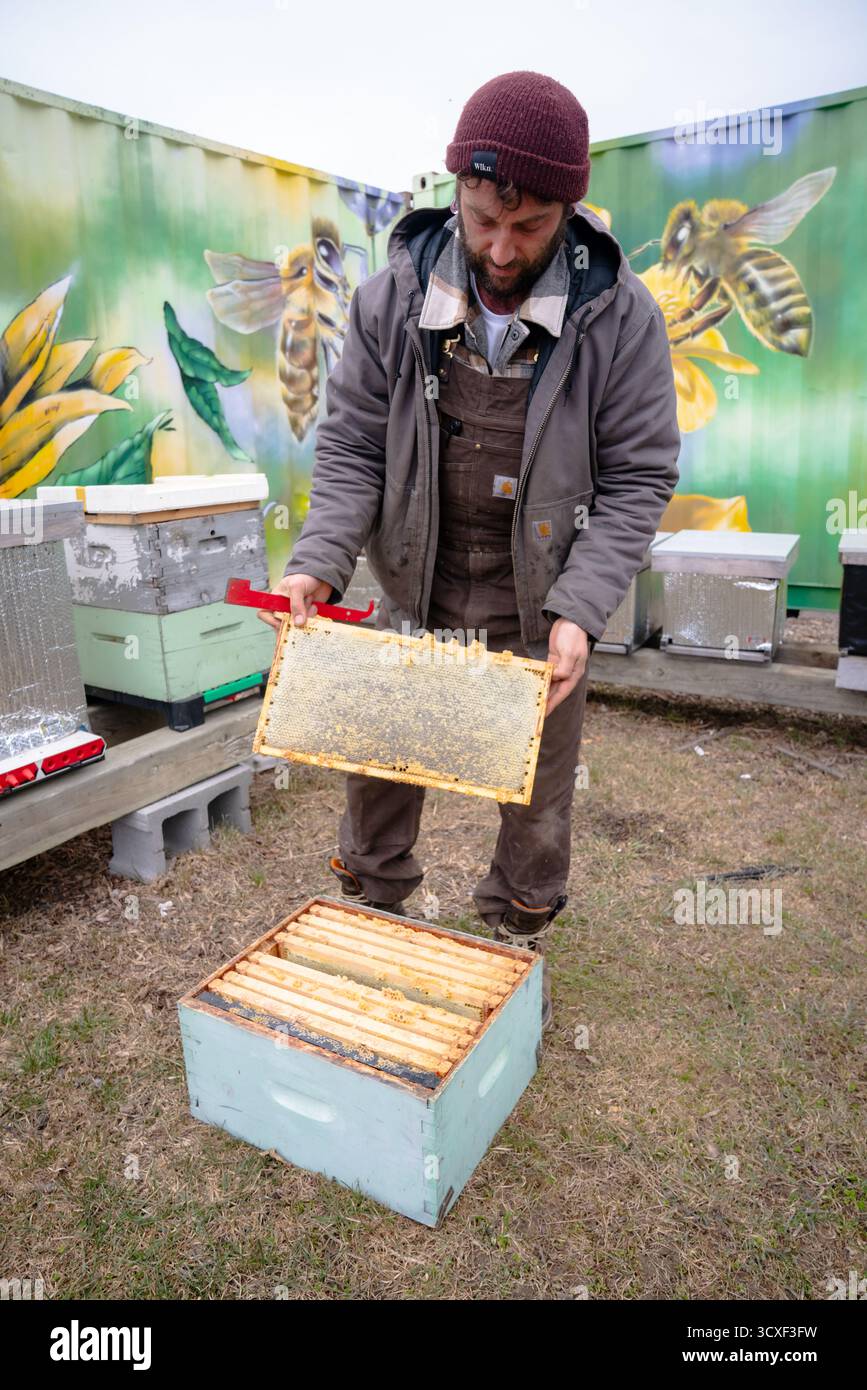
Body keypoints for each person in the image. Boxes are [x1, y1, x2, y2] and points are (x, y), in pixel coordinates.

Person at [261, 70, 680, 1030]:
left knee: (534, 794)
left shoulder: (618, 318)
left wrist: (581, 607)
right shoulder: (389, 299)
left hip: (539, 597)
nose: (500, 248)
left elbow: (636, 479)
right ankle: (371, 913)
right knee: (381, 770)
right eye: (485, 218)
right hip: (417, 581)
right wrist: (319, 558)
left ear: (568, 212)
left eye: (528, 229)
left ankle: (515, 936)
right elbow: (355, 443)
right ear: (458, 191)